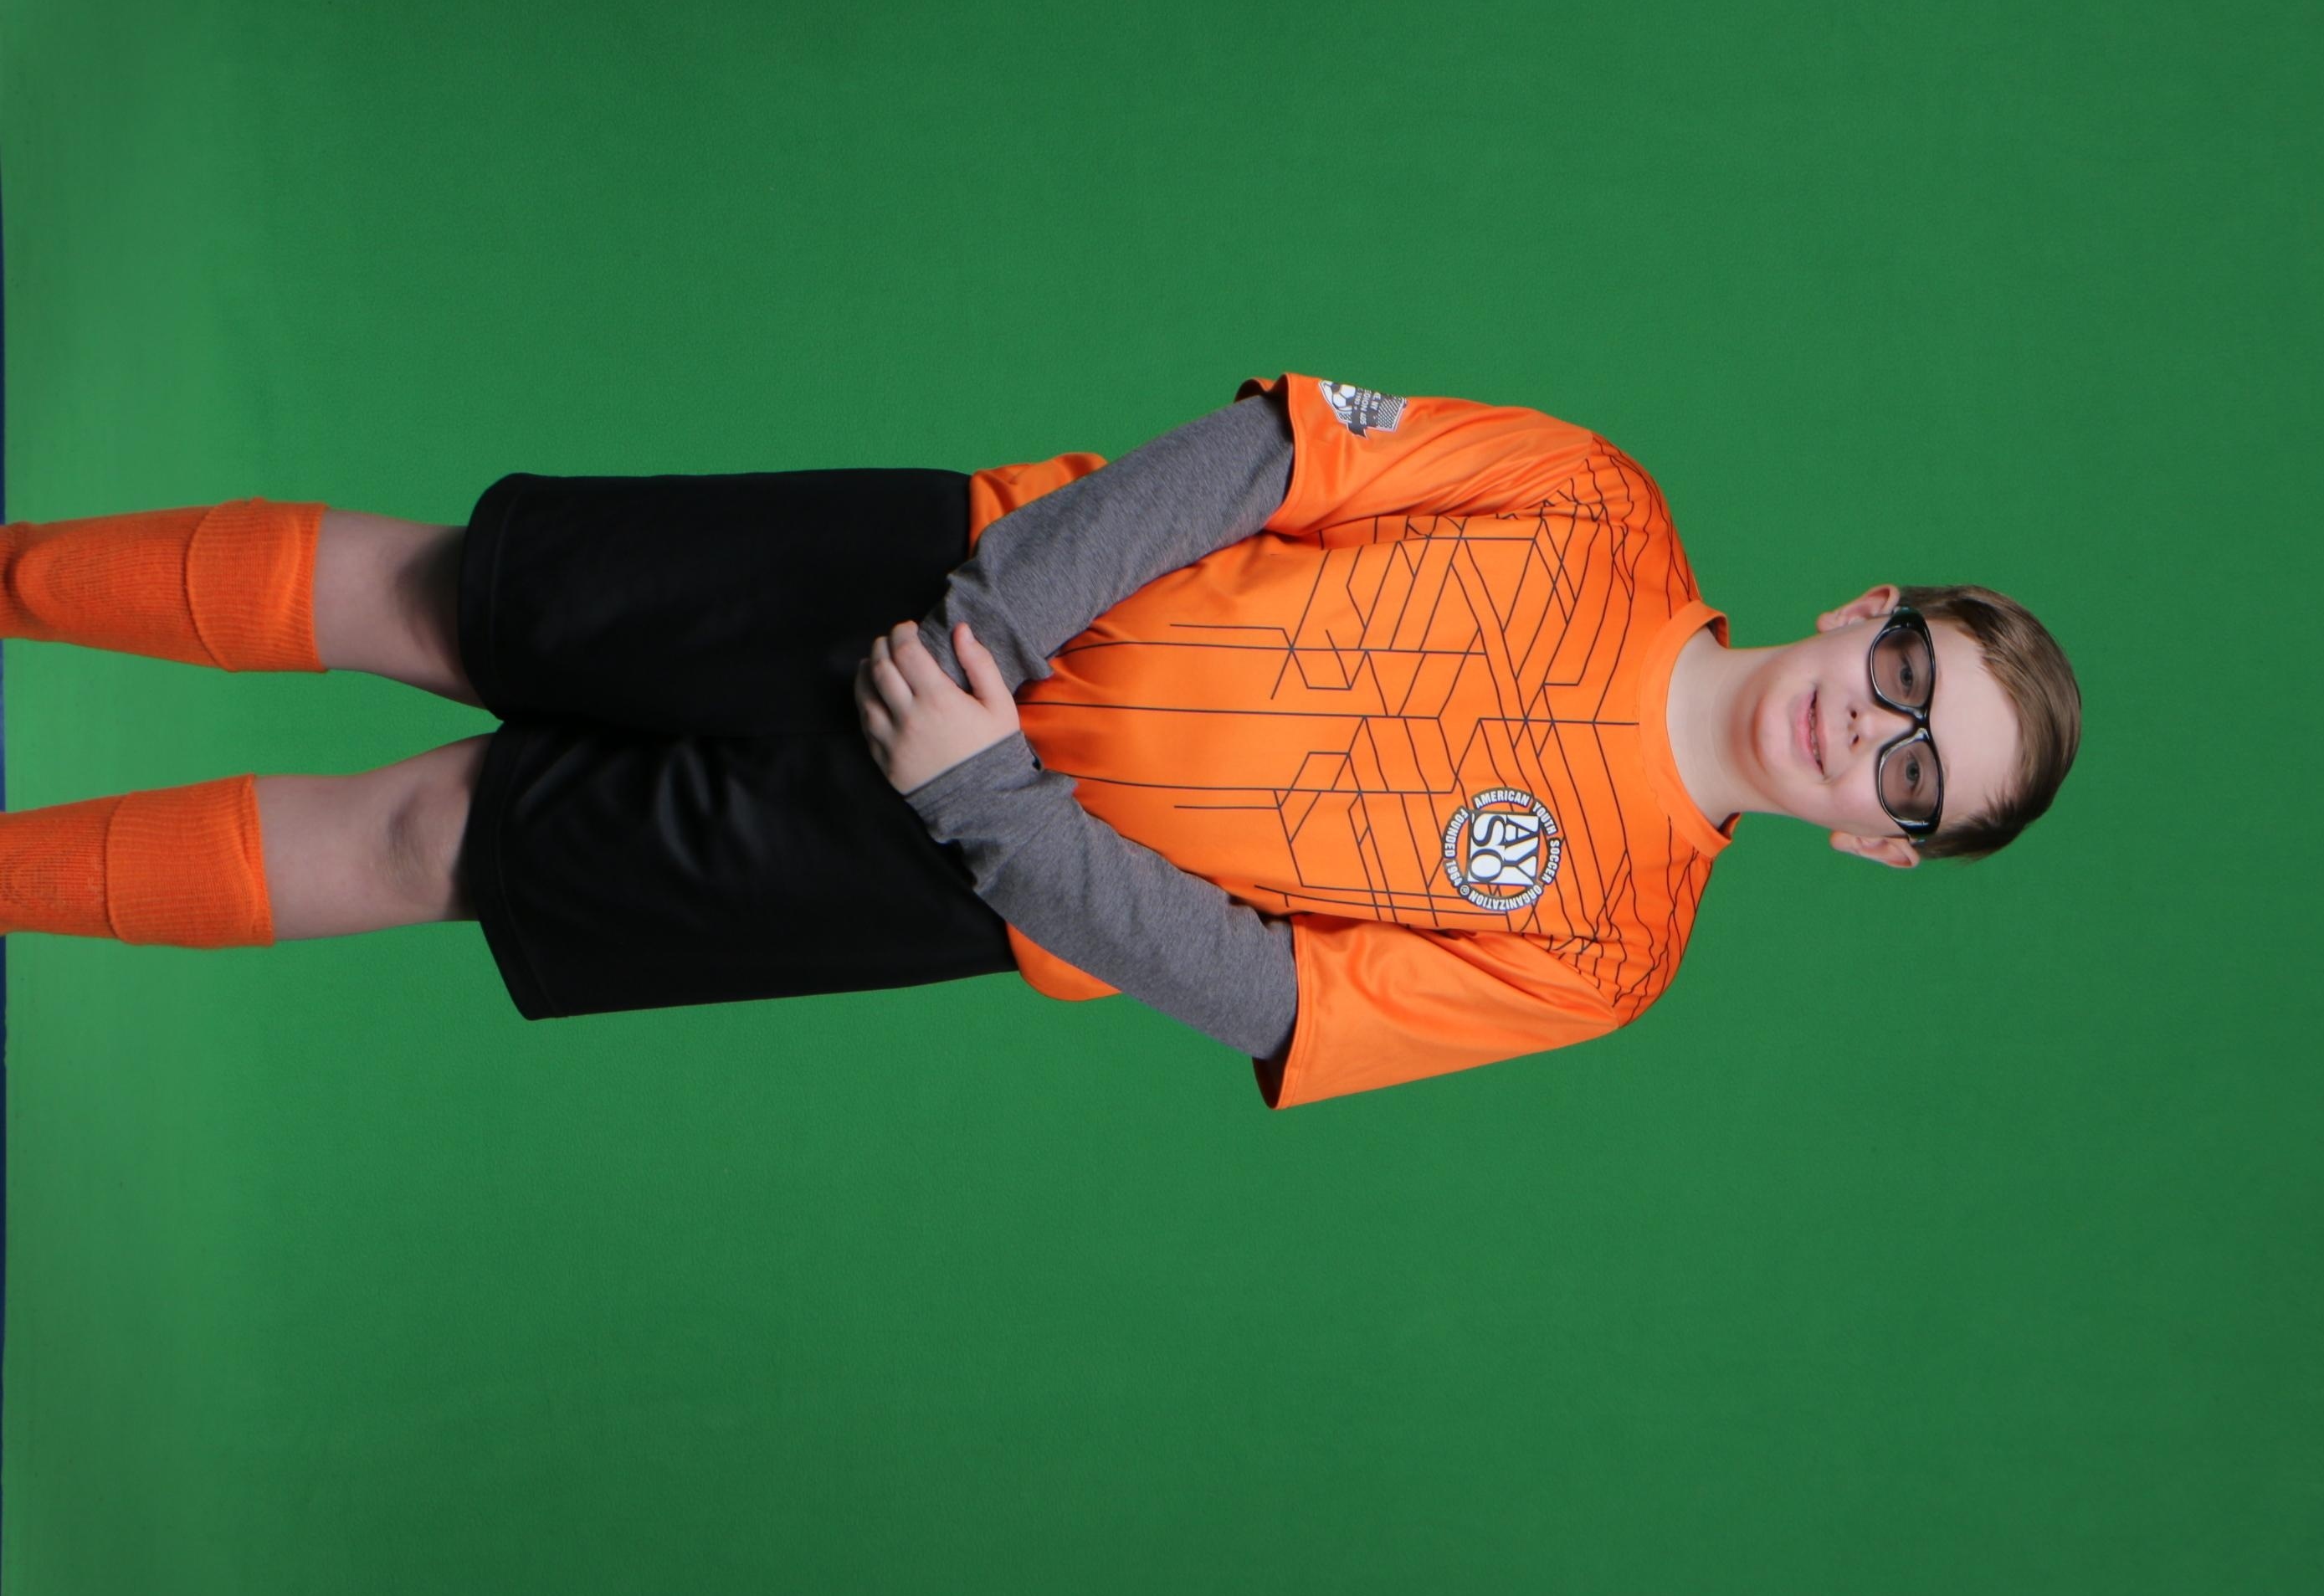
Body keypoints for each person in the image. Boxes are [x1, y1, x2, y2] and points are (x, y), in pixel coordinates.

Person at [0, 376, 2080, 1108]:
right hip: (928, 580)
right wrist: (984, 629)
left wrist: (983, 795)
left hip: (940, 862)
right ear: (1869, 610)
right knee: (446, 598)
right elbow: (1270, 458)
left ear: (1880, 843)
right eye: (1911, 676)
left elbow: (1273, 994)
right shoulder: (1595, 498)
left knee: (437, 844)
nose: (1869, 730)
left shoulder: (1607, 956)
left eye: (1914, 773)